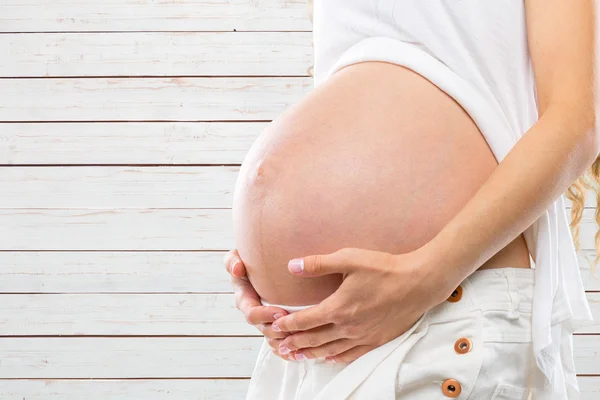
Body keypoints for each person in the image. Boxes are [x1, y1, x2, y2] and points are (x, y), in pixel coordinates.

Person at [225, 0, 598, 398]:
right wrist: (264, 262)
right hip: (313, 345)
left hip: (446, 308)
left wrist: (427, 278)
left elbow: (576, 123)